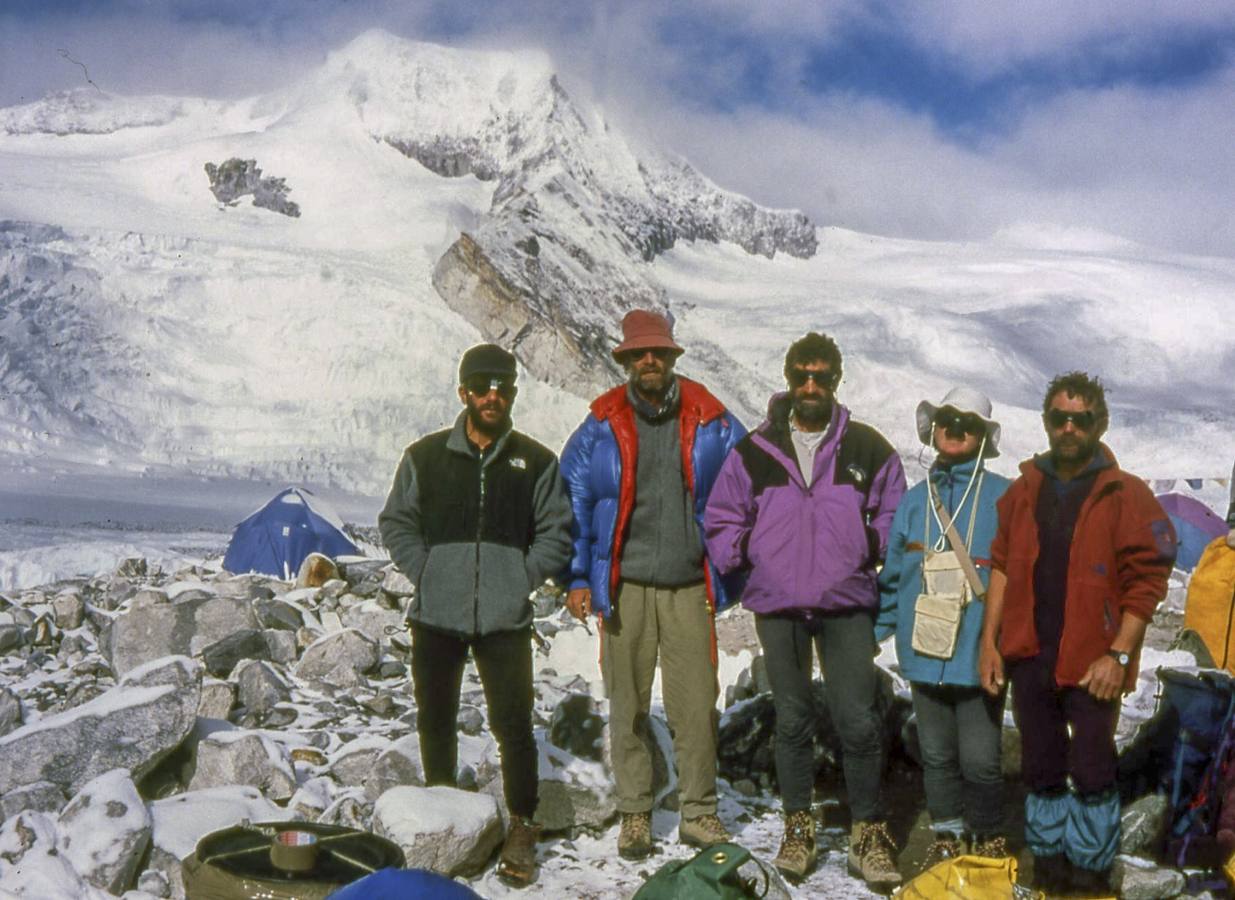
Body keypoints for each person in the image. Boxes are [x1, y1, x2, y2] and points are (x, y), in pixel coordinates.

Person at [704, 332, 907, 888]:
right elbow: (721, 518)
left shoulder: (867, 447)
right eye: (801, 375)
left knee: (858, 718)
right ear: (789, 379)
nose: (810, 386)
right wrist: (752, 554)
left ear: (837, 380)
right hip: (780, 604)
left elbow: (894, 510)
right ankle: (798, 827)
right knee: (791, 720)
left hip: (846, 604)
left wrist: (867, 544)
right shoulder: (755, 450)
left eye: (821, 376)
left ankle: (867, 834)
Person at [378, 343, 572, 886]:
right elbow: (396, 521)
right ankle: (442, 817)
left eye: (504, 385)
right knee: (434, 717)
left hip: (505, 619)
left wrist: (522, 579)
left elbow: (557, 530)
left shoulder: (535, 461)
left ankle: (522, 825)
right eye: (483, 384)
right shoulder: (426, 456)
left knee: (513, 724)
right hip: (436, 614)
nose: (494, 395)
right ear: (463, 392)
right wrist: (428, 570)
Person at [978, 371, 1176, 895]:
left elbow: (1147, 581)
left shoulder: (1126, 493)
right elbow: (1000, 566)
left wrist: (1118, 654)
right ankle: (1048, 873)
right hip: (1030, 654)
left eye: (1080, 419)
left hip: (1094, 661)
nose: (1069, 427)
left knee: (1092, 772)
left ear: (1099, 424)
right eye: (1058, 417)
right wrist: (989, 644)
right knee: (1040, 769)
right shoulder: (1024, 490)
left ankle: (1090, 880)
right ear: (1046, 423)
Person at [560, 309, 746, 859]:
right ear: (623, 358)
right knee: (628, 704)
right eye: (638, 354)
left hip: (690, 584)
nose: (649, 361)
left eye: (658, 353)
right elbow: (574, 499)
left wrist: (734, 566)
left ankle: (699, 812)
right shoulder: (600, 422)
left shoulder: (712, 420)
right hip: (625, 586)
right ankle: (635, 813)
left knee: (695, 705)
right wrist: (577, 576)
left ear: (671, 358)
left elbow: (744, 494)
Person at [875, 387, 1011, 870]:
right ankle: (948, 833)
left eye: (967, 424)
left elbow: (1019, 575)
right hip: (923, 651)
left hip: (978, 650)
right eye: (948, 420)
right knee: (935, 755)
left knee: (980, 758)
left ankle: (989, 833)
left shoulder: (1003, 498)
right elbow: (893, 576)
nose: (955, 429)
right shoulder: (914, 503)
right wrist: (875, 630)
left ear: (982, 437)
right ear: (934, 429)